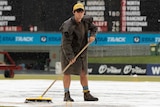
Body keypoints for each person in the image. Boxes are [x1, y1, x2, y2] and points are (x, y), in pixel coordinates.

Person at [59, 3, 98, 102]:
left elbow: (94, 28)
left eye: (81, 11)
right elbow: (65, 44)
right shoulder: (68, 26)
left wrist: (92, 36)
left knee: (83, 72)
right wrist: (70, 56)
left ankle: (86, 93)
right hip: (68, 51)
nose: (80, 14)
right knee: (67, 73)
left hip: (81, 51)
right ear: (74, 12)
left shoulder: (86, 21)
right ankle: (66, 94)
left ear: (84, 12)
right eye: (78, 11)